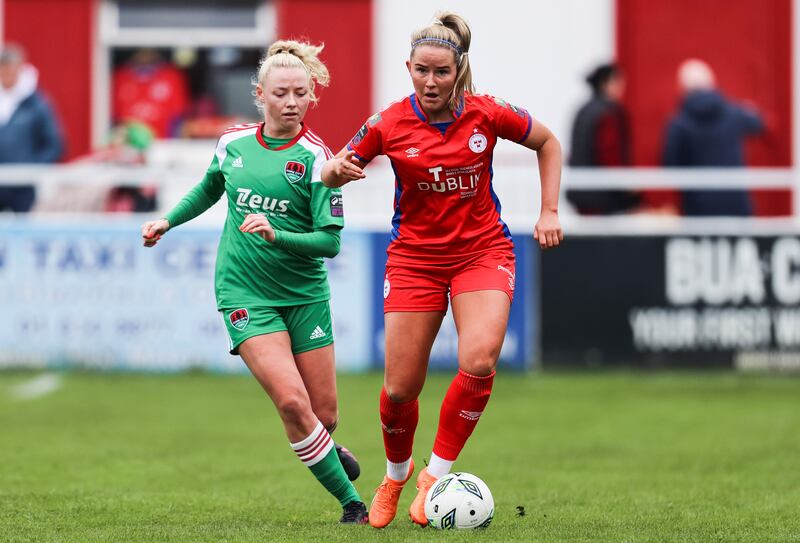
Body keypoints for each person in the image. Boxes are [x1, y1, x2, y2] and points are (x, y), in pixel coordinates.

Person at [322, 12, 563, 529]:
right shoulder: (387, 123)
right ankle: (395, 476)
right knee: (401, 388)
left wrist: (549, 210)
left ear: (460, 70)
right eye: (421, 71)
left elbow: (548, 142)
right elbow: (331, 169)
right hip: (415, 260)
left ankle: (434, 475)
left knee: (480, 357)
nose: (431, 82)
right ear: (408, 68)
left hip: (482, 252)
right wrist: (335, 171)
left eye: (442, 72)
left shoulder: (488, 113)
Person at [140, 40, 368, 525]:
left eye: (300, 93)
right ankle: (352, 504)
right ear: (260, 94)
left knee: (322, 417)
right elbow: (209, 187)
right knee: (290, 401)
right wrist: (168, 220)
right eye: (280, 92)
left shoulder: (318, 160)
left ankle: (327, 447)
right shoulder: (233, 142)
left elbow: (329, 243)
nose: (290, 102)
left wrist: (277, 233)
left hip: (304, 295)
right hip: (243, 292)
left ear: (312, 98)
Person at [663, 58, 764, 216]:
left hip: (698, 210)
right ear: (711, 83)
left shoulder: (678, 123)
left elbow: (670, 165)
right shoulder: (735, 113)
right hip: (737, 207)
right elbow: (759, 124)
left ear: (682, 88)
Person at [567, 63, 640, 214]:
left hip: (581, 192)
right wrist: (626, 186)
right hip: (602, 195)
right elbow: (609, 155)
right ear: (606, 83)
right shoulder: (609, 113)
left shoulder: (583, 110)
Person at [0, 43, 64, 212]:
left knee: (22, 232)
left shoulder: (36, 104)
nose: (6, 72)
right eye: (3, 67)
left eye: (10, 67)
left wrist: (33, 168)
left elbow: (54, 144)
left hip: (23, 185)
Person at [113, 48, 189, 138]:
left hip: (163, 142)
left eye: (150, 52)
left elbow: (178, 116)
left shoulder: (171, 76)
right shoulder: (120, 77)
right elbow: (114, 116)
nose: (145, 57)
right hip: (127, 142)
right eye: (141, 52)